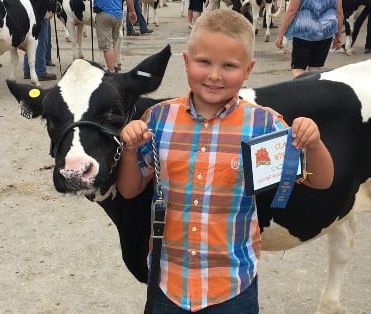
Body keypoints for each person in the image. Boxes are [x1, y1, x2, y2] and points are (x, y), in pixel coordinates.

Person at [116, 9, 334, 313]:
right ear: (186, 61)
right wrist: (129, 149)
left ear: (248, 69)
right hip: (167, 284)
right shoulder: (158, 120)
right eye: (204, 62)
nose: (215, 75)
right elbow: (129, 190)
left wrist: (314, 143)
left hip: (232, 287)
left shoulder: (264, 125)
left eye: (229, 66)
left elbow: (320, 180)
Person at [275, 0, 344, 77]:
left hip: (304, 32)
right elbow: (339, 12)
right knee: (315, 68)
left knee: (298, 68)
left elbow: (292, 10)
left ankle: (302, 88)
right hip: (325, 32)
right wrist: (339, 35)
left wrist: (280, 34)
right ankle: (313, 88)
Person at [94, 0, 137, 72]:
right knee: (113, 44)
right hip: (118, 16)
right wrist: (132, 11)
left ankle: (112, 72)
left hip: (104, 14)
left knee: (107, 47)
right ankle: (114, 67)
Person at [23, 17, 56, 81]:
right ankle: (40, 71)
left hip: (29, 11)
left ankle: (27, 70)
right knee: (41, 40)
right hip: (40, 13)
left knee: (31, 38)